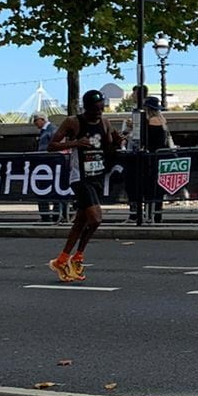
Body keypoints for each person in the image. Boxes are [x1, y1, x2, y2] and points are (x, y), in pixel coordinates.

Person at [48, 89, 120, 283]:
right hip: (80, 177)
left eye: (101, 109)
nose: (99, 113)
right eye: (95, 110)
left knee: (81, 221)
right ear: (86, 108)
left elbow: (108, 149)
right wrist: (75, 143)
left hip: (97, 176)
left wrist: (117, 143)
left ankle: (62, 260)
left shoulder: (105, 123)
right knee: (96, 219)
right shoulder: (73, 122)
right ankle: (78, 257)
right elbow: (52, 145)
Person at [32, 112, 67, 223]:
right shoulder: (44, 131)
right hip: (45, 165)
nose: (34, 123)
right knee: (44, 190)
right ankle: (47, 216)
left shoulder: (52, 129)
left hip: (51, 165)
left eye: (35, 120)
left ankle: (55, 215)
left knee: (50, 189)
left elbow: (57, 145)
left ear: (42, 119)